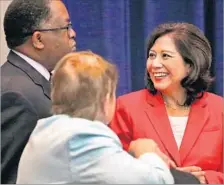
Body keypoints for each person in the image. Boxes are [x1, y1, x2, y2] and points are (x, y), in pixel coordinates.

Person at [16, 51, 174, 184]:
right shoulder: (81, 138)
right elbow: (157, 181)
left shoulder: (46, 131)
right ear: (106, 100)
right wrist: (147, 152)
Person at [110, 22, 223, 184]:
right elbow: (113, 169)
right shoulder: (126, 107)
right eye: (152, 55)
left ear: (190, 65)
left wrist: (204, 180)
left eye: (165, 56)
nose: (154, 64)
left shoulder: (219, 109)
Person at [1, 0, 76, 183]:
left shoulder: (24, 81)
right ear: (38, 40)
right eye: (66, 26)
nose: (72, 33)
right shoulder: (16, 95)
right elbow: (10, 176)